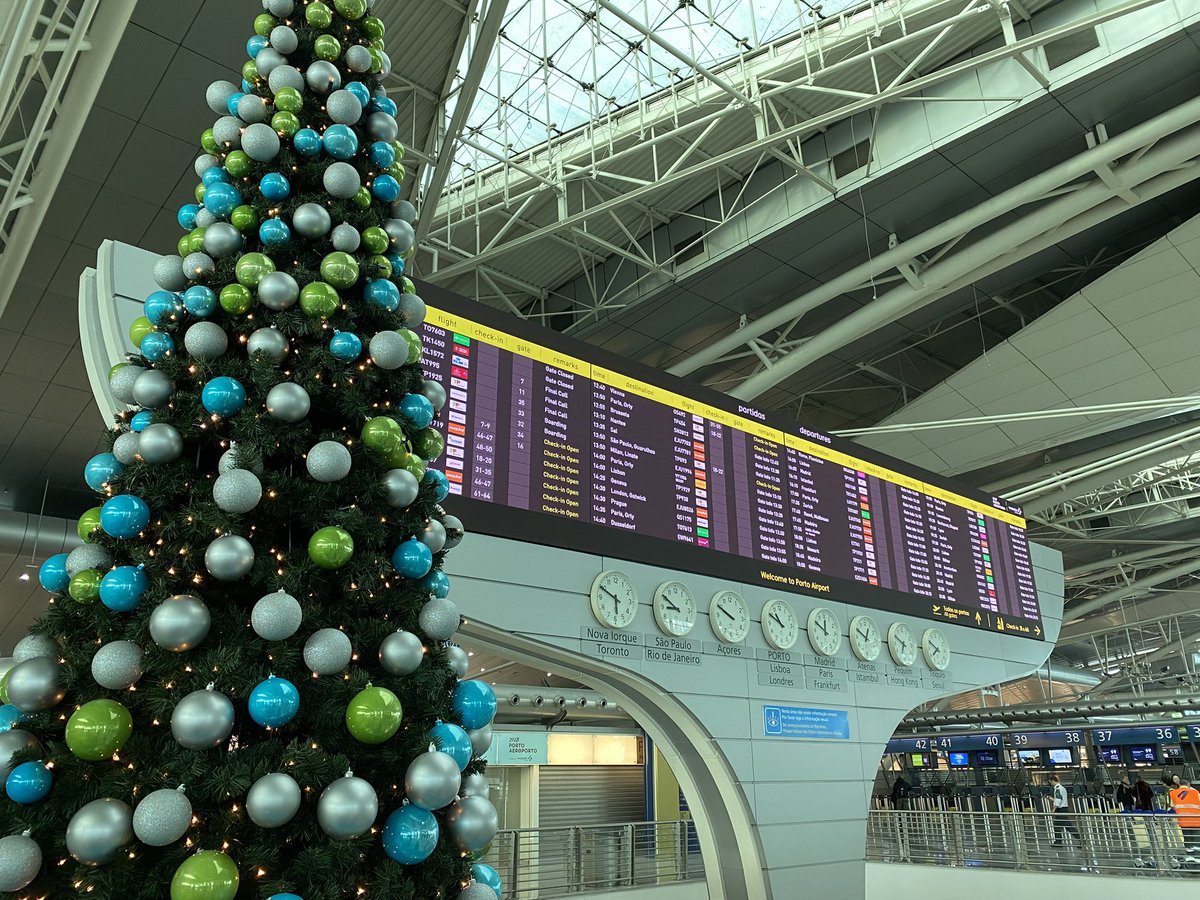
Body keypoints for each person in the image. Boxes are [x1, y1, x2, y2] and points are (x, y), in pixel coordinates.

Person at [1168, 776, 1200, 852]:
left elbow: (1172, 807)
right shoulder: (1195, 792)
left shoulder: (1173, 793)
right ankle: (1197, 860)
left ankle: (1189, 859)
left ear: (1179, 784)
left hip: (1183, 822)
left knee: (1187, 841)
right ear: (1188, 784)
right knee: (1197, 842)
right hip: (1197, 822)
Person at [1049, 774, 1079, 846]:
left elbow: (1058, 800)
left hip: (1060, 810)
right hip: (1064, 808)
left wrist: (1054, 809)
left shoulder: (1058, 789)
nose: (1051, 784)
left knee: (1068, 826)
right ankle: (1058, 841)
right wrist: (1052, 799)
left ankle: (1080, 839)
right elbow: (1060, 799)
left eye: (1050, 782)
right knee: (1057, 826)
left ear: (1053, 781)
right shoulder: (1062, 788)